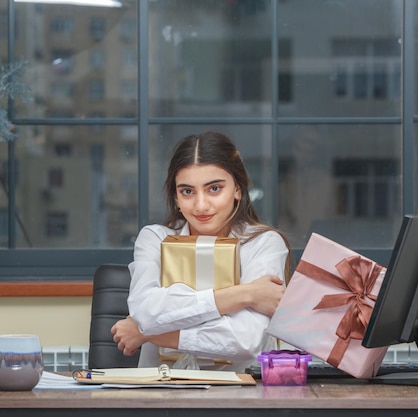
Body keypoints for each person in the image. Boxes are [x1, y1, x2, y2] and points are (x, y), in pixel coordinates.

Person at [111, 131, 291, 372]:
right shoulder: (154, 238)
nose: (201, 205)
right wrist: (245, 294)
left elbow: (246, 341)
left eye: (214, 188)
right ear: (175, 196)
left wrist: (150, 334)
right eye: (187, 191)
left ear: (237, 189)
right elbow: (146, 311)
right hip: (159, 396)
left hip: (238, 398)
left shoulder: (264, 243)